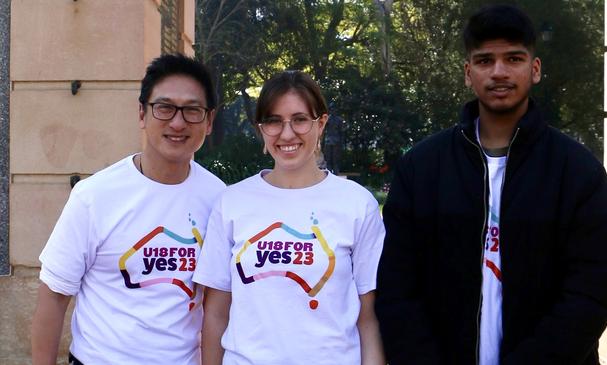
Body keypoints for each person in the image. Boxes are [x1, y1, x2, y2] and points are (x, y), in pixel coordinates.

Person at [375, 4, 607, 365]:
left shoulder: (577, 171)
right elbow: (398, 290)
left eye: (514, 58)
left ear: (535, 69)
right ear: (467, 72)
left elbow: (590, 294)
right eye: (485, 60)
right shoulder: (422, 169)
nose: (499, 72)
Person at [31, 53, 226, 365]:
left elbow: (218, 306)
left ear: (209, 121)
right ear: (141, 114)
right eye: (164, 107)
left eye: (192, 110)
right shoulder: (94, 197)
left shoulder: (220, 200)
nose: (177, 122)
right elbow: (53, 297)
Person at [193, 70, 385, 365]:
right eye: (273, 121)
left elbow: (367, 317)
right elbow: (216, 314)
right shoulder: (231, 202)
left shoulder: (358, 204)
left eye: (299, 119)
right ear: (261, 129)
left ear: (321, 123)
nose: (286, 134)